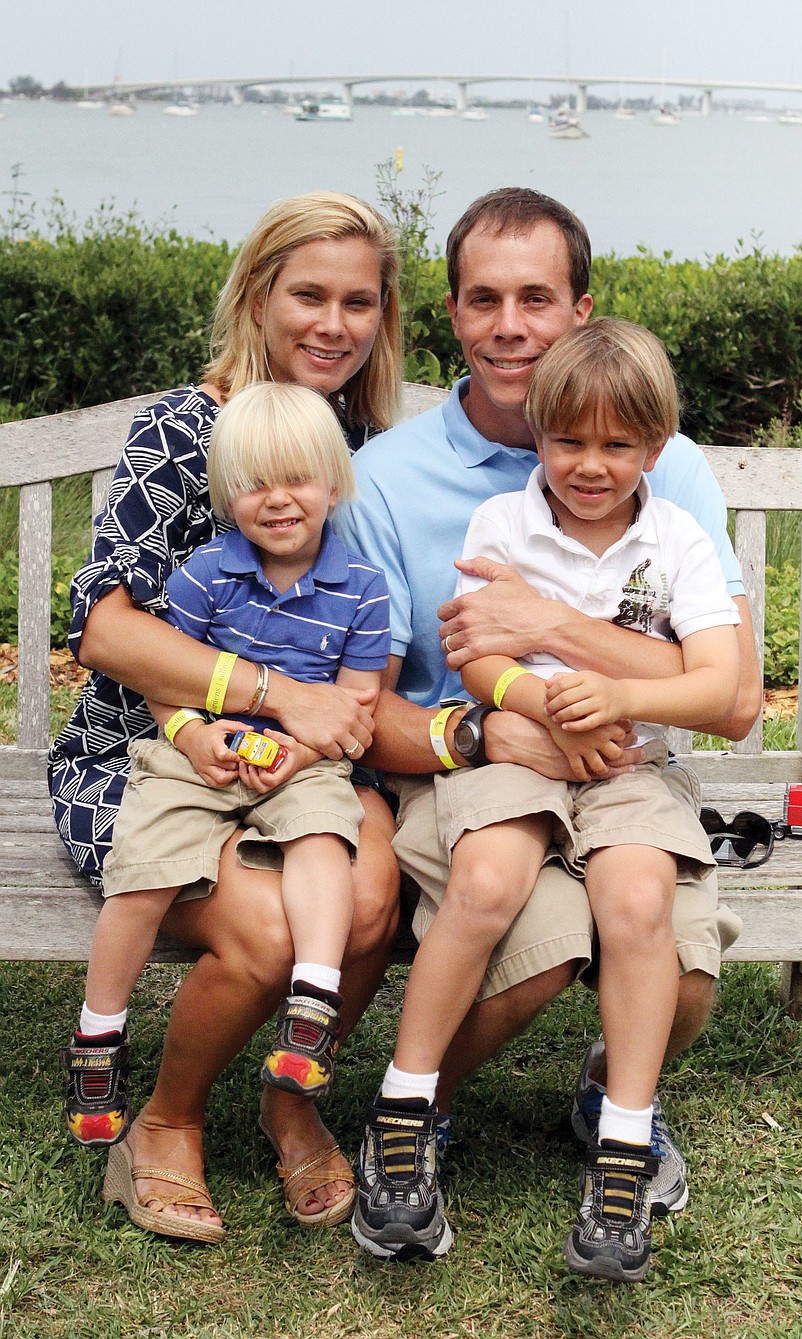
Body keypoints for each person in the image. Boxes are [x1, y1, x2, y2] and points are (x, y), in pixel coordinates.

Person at [335, 188, 762, 1261]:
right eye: (485, 299)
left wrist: (564, 643)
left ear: (579, 309)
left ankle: (613, 1115)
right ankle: (410, 1110)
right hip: (491, 772)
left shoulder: (674, 486)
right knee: (527, 927)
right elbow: (383, 692)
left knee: (673, 960)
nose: (511, 325)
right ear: (451, 314)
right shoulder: (412, 485)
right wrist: (497, 720)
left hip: (625, 768)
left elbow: (731, 691)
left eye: (536, 296)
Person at [49, 192, 403, 1242]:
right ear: (256, 295)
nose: (332, 323)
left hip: (315, 761)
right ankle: (163, 1121)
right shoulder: (183, 428)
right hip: (149, 751)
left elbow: (379, 625)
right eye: (307, 294)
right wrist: (265, 695)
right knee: (262, 927)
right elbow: (103, 629)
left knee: (373, 890)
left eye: (358, 301)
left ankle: (288, 1096)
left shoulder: (362, 448)